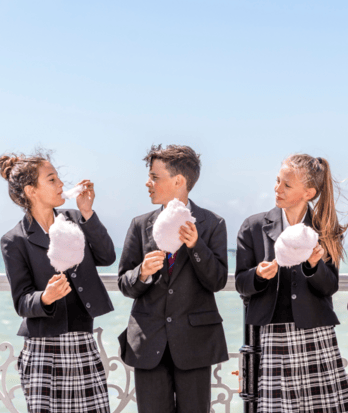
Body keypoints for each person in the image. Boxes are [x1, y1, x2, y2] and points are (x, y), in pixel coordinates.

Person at [0, 151, 115, 413]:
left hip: (82, 341)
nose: (61, 184)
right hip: (42, 349)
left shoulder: (75, 219)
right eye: (52, 179)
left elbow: (107, 256)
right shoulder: (14, 240)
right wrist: (46, 297)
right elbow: (21, 301)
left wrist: (88, 214)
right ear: (31, 191)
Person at [117, 144, 229, 413]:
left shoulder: (213, 223)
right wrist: (142, 273)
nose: (148, 183)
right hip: (148, 343)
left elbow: (218, 281)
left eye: (154, 177)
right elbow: (124, 282)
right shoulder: (139, 224)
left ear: (178, 181)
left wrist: (196, 247)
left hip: (195, 343)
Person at [235, 154, 348, 412]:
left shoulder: (325, 228)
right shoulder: (253, 227)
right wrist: (258, 275)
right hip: (272, 335)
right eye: (277, 181)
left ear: (308, 192)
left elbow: (329, 287)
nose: (277, 189)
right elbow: (241, 282)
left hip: (316, 332)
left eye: (286, 185)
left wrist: (313, 266)